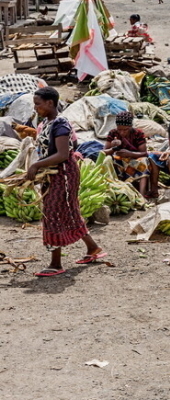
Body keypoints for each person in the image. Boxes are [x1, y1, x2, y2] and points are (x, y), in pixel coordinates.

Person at [25, 87, 105, 277]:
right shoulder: (46, 122)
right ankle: (93, 248)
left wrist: (36, 166)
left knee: (52, 214)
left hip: (64, 175)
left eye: (38, 104)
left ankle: (56, 263)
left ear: (50, 103)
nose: (35, 108)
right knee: (69, 212)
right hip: (52, 174)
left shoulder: (61, 124)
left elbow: (62, 154)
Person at [103, 111, 150, 195]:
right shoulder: (113, 133)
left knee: (144, 161)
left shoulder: (138, 133)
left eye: (125, 130)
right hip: (119, 160)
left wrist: (130, 154)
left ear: (131, 126)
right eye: (119, 129)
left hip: (134, 159)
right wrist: (113, 148)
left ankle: (142, 194)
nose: (122, 132)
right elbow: (104, 152)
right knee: (108, 160)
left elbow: (144, 153)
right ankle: (116, 191)